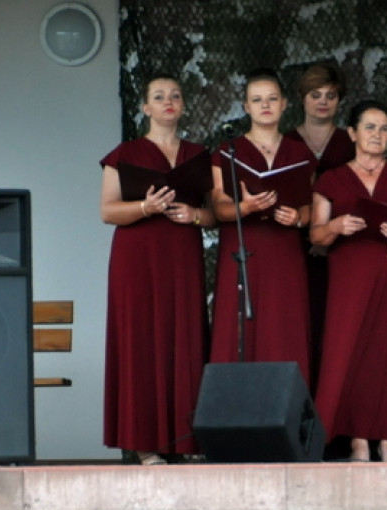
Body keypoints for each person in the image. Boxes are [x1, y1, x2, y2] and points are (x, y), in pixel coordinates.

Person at [99, 74, 215, 466]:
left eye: (176, 96)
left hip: (181, 255)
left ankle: (186, 440)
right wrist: (145, 208)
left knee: (184, 337)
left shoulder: (198, 155)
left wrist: (194, 214)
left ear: (183, 106)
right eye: (160, 96)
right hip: (137, 259)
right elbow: (107, 211)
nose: (169, 101)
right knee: (141, 341)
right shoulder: (125, 153)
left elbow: (215, 214)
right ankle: (143, 443)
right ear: (145, 107)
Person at [311, 99, 387, 462]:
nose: (377, 135)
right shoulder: (331, 178)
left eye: (383, 129)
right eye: (369, 127)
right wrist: (336, 226)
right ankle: (359, 442)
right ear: (352, 133)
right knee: (353, 352)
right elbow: (316, 235)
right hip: (350, 278)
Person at [210, 68, 316, 383]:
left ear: (284, 104)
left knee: (284, 329)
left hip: (284, 251)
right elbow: (218, 206)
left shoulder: (300, 152)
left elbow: (311, 207)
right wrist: (245, 207)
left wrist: (298, 218)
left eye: (272, 99)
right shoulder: (228, 151)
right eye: (257, 100)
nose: (265, 105)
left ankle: (286, 404)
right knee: (238, 329)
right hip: (243, 250)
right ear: (246, 107)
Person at [286, 62, 354, 391]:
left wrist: (328, 235)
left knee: (336, 325)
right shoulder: (286, 141)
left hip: (342, 244)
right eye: (316, 95)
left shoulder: (350, 142)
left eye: (331, 95)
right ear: (302, 98)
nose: (323, 102)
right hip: (292, 242)